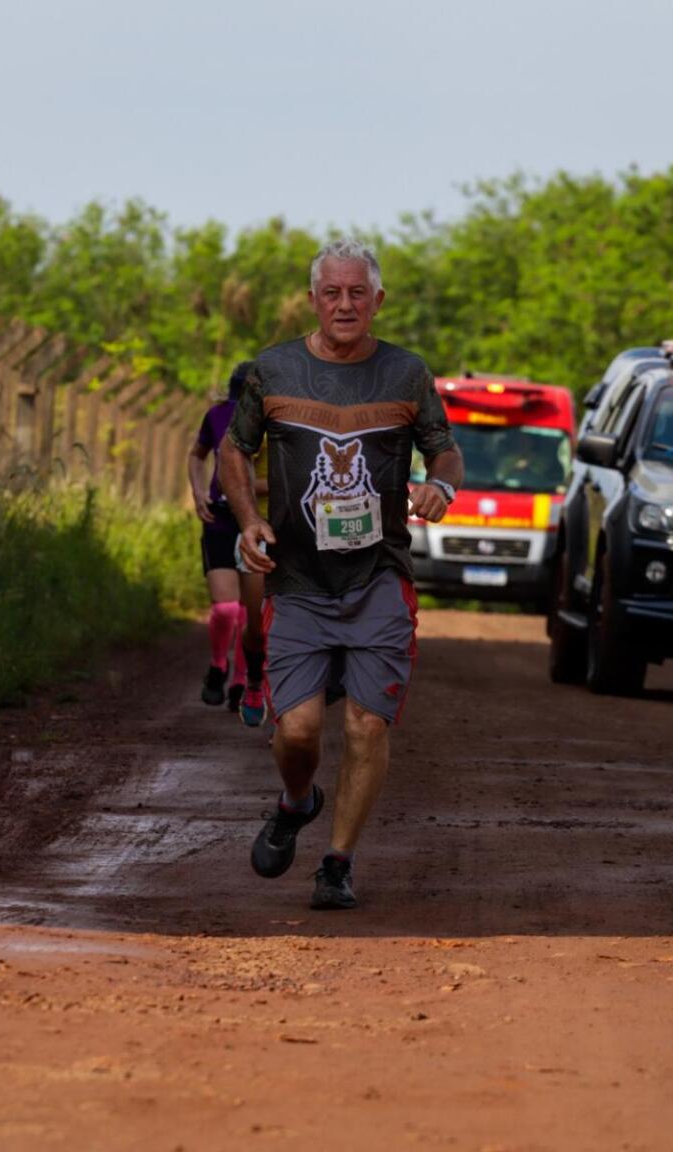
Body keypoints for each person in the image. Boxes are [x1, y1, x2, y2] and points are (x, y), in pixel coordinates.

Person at [219, 238, 464, 909]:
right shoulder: (272, 371)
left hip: (378, 578)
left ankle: (338, 861)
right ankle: (298, 800)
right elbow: (232, 450)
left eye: (359, 293)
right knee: (297, 731)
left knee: (366, 725)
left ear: (378, 300)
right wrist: (248, 520)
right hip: (296, 580)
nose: (346, 304)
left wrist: (441, 487)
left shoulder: (407, 374)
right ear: (313, 300)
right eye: (333, 293)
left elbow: (445, 452)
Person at [187, 361, 268, 726]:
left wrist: (249, 489)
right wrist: (199, 491)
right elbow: (196, 454)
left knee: (252, 614)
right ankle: (219, 666)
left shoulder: (273, 426)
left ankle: (241, 682)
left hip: (255, 519)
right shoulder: (217, 415)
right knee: (225, 608)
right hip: (219, 518)